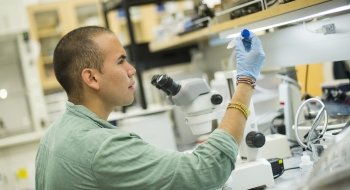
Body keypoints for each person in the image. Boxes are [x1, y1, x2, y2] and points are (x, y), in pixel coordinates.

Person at [35, 26, 265, 190]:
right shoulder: (102, 147)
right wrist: (246, 81)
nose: (131, 69)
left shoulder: (55, 134)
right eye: (120, 60)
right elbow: (207, 170)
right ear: (92, 78)